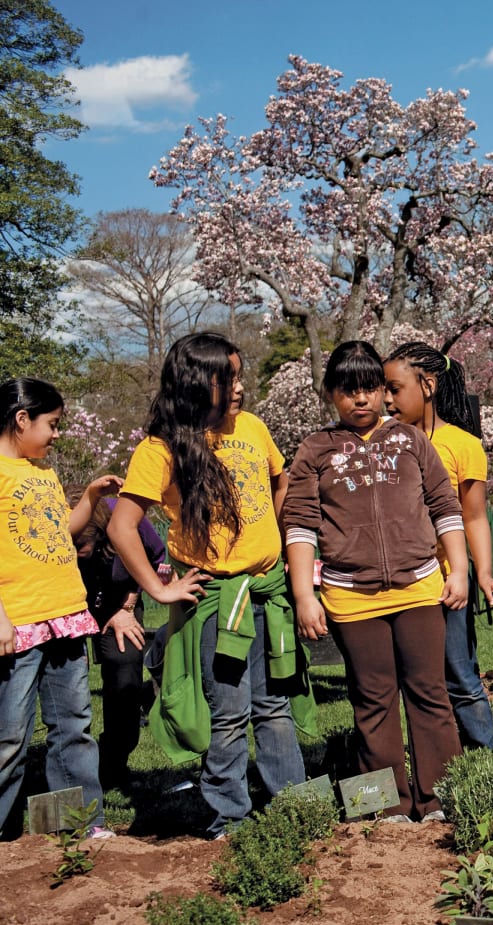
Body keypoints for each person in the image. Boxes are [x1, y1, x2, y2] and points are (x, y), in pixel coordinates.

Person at [111, 332, 310, 839]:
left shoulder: (253, 428)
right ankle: (231, 819)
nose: (241, 387)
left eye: (241, 376)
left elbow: (280, 479)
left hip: (267, 593)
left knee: (275, 707)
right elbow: (121, 525)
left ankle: (293, 807)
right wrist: (160, 592)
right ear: (199, 384)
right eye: (231, 378)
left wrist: (278, 537)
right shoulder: (160, 450)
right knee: (230, 713)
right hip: (219, 605)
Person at [283, 340, 467, 822]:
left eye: (370, 389)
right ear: (330, 394)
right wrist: (305, 594)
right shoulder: (315, 450)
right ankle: (383, 808)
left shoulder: (410, 441)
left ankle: (443, 799)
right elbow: (299, 525)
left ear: (383, 392)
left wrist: (460, 569)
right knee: (372, 700)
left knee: (429, 693)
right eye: (348, 391)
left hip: (419, 589)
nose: (361, 400)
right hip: (349, 597)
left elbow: (446, 507)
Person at [0, 378, 117, 839]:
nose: (55, 435)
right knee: (10, 736)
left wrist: (89, 497)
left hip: (65, 616)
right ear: (21, 419)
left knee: (73, 726)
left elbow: (60, 532)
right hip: (20, 622)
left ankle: (77, 825)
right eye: (51, 425)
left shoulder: (42, 475)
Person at [383, 341, 493, 750]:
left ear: (428, 386)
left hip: (446, 584)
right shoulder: (381, 441)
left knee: (459, 674)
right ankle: (432, 761)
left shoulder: (462, 445)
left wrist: (484, 574)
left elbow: (473, 517)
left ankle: (486, 764)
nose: (386, 399)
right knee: (412, 682)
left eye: (394, 388)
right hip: (398, 585)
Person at [74, 494, 167, 788]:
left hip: (122, 595)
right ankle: (71, 768)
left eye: (81, 547)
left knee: (124, 667)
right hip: (71, 600)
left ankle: (114, 764)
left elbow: (155, 556)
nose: (76, 552)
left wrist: (127, 605)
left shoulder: (126, 517)